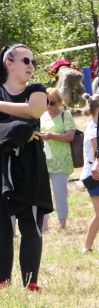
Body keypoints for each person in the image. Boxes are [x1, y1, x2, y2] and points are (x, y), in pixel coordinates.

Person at [0, 44, 50, 290]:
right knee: (1, 224)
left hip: (30, 163)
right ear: (9, 63)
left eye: (33, 62)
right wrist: (19, 132)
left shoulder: (37, 90)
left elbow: (34, 110)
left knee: (31, 224)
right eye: (26, 60)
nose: (31, 65)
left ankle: (31, 283)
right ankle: (3, 283)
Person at [39, 87, 75, 232]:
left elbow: (70, 136)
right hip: (44, 159)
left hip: (61, 160)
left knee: (60, 192)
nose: (49, 106)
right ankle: (44, 224)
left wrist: (51, 136)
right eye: (46, 102)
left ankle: (62, 224)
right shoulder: (41, 115)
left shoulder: (65, 115)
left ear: (59, 102)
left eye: (52, 103)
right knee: (42, 193)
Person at [79, 98, 99, 253]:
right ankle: (87, 246)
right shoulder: (94, 130)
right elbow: (96, 156)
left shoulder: (93, 126)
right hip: (94, 176)